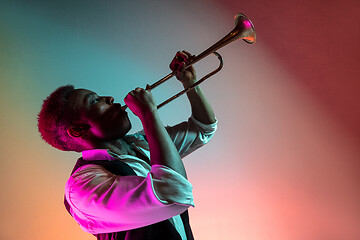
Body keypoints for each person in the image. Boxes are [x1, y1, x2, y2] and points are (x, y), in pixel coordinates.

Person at [37, 50, 217, 240]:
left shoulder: (140, 142)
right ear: (77, 131)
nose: (109, 98)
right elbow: (176, 194)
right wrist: (149, 114)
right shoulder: (82, 187)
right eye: (95, 101)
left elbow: (202, 129)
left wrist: (191, 84)